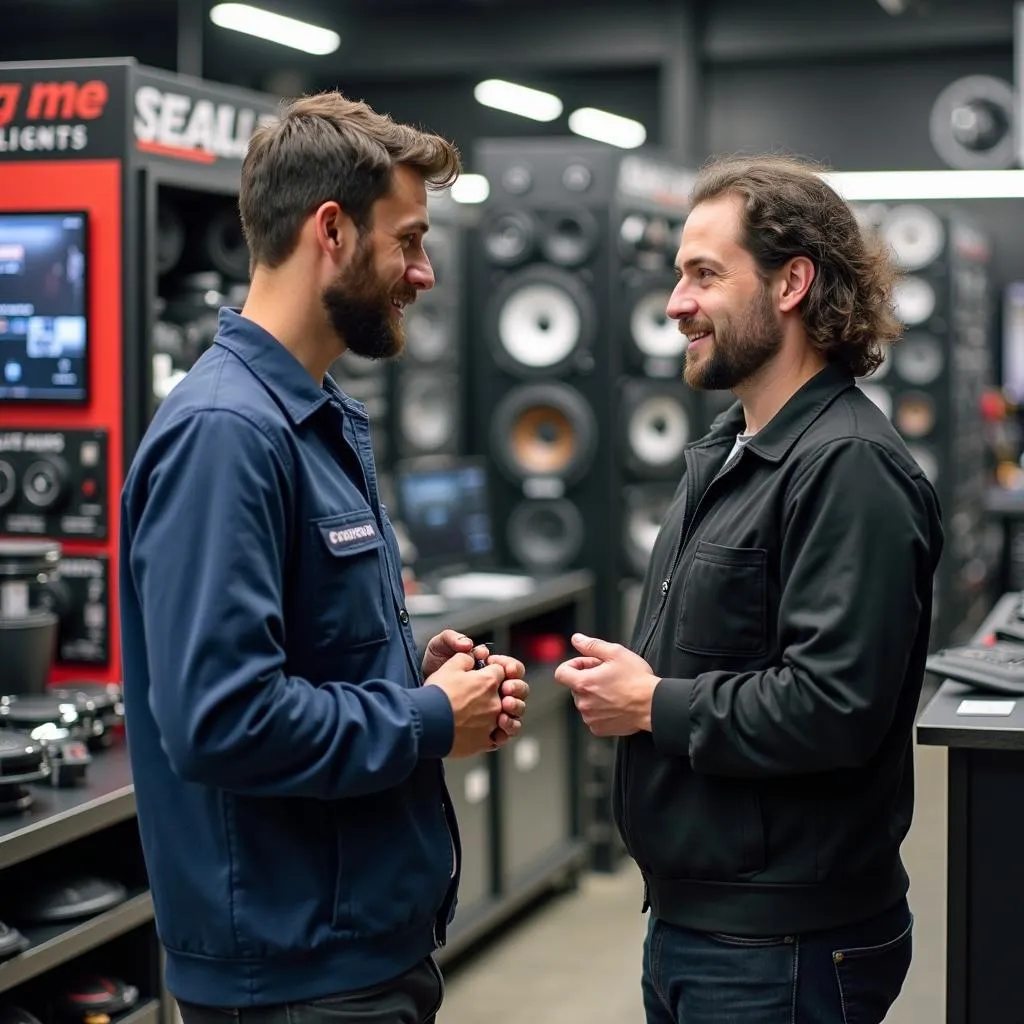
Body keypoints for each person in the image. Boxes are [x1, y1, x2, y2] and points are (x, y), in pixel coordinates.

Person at [118, 91, 529, 1024]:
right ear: (332, 230)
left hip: (355, 955)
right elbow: (222, 719)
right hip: (293, 979)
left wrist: (410, 677)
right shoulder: (226, 435)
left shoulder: (311, 417)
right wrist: (426, 719)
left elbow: (301, 656)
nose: (423, 273)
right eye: (410, 240)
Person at [555, 154, 944, 1023]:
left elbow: (834, 706)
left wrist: (654, 703)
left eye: (704, 275)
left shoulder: (848, 468)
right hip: (709, 930)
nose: (674, 303)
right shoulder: (734, 449)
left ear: (791, 283)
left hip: (783, 950)